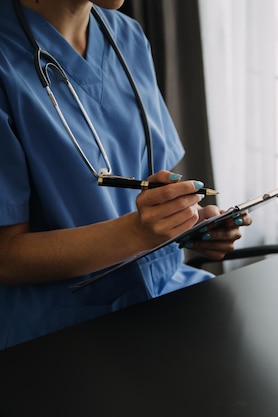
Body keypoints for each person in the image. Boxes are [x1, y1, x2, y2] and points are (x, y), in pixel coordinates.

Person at [0, 0, 251, 349]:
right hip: (59, 333)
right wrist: (138, 232)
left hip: (167, 293)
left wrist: (185, 224)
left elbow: (151, 183)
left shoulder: (125, 36)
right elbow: (6, 258)